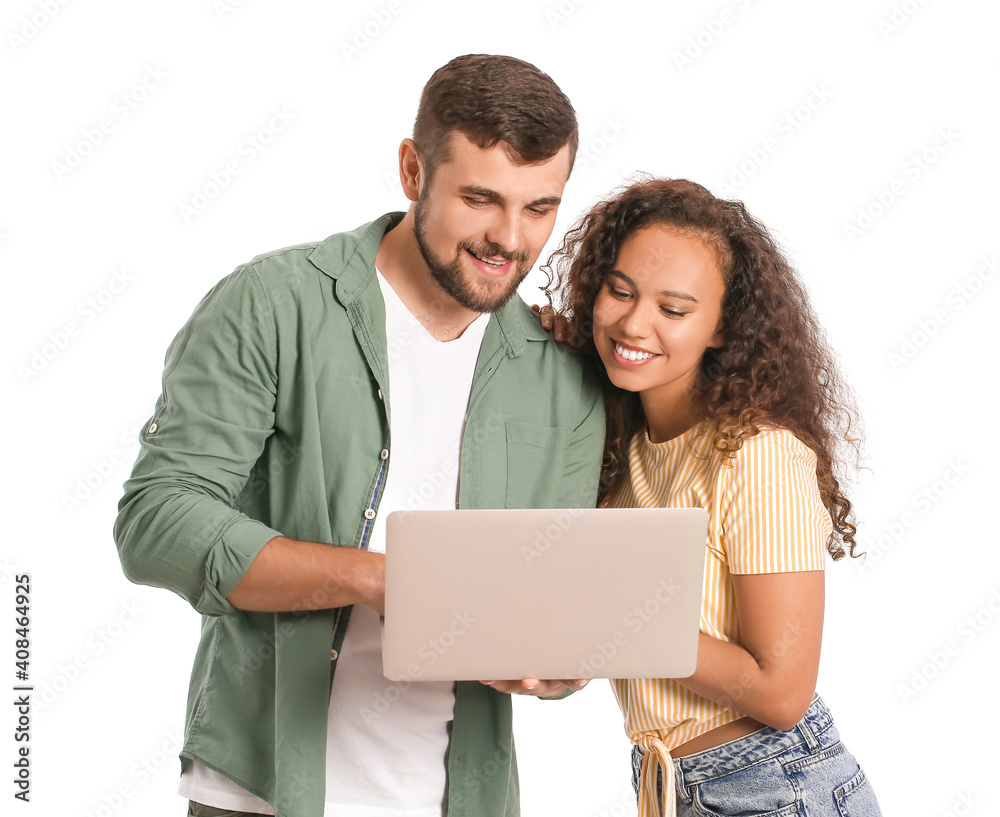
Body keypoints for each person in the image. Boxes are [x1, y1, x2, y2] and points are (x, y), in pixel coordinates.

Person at [113, 54, 605, 817]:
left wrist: (553, 660)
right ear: (413, 170)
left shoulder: (562, 373)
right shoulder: (271, 305)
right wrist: (374, 577)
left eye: (540, 208)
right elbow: (157, 520)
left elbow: (561, 616)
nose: (510, 239)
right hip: (263, 793)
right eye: (481, 199)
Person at [541, 177, 882, 816]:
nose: (634, 322)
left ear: (722, 329)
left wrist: (616, 619)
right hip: (670, 786)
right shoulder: (623, 446)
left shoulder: (758, 454)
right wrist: (549, 356)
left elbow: (782, 692)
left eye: (673, 310)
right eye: (619, 291)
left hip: (774, 789)